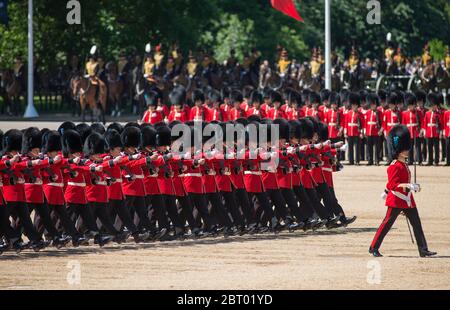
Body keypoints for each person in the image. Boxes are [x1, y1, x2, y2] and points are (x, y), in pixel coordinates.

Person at [369, 125, 436, 258]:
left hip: (408, 199)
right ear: (399, 150)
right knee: (386, 224)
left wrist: (412, 186)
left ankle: (423, 250)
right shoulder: (394, 166)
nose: (407, 150)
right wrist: (409, 186)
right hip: (396, 200)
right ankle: (373, 247)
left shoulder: (403, 164)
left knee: (417, 224)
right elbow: (393, 185)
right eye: (405, 148)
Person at [423, 93, 441, 166]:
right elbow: (425, 123)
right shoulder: (427, 113)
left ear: (436, 106)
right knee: (429, 147)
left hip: (435, 132)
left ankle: (436, 161)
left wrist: (440, 131)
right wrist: (424, 131)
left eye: (434, 105)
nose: (433, 107)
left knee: (436, 148)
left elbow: (440, 123)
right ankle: (430, 161)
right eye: (432, 106)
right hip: (428, 132)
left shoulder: (438, 113)